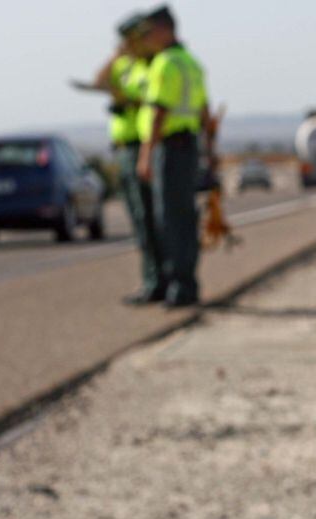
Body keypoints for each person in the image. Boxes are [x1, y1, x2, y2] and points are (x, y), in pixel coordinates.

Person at [136, 5, 214, 308]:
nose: (147, 39)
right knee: (184, 216)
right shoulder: (191, 63)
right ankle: (186, 283)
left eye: (149, 32)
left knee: (169, 219)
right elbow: (205, 111)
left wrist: (146, 155)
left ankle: (179, 286)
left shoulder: (165, 64)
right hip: (189, 146)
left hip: (169, 148)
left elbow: (158, 112)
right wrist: (210, 149)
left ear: (165, 29)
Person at [96, 13, 166, 305]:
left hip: (141, 146)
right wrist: (115, 56)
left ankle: (159, 281)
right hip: (124, 148)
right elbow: (99, 81)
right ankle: (153, 279)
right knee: (140, 220)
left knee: (150, 218)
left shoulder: (147, 67)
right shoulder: (125, 65)